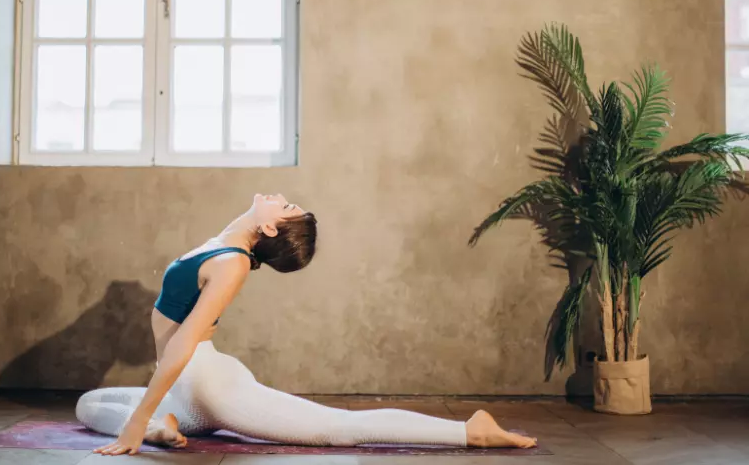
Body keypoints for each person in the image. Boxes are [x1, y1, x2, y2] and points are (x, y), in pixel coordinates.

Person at [76, 194, 537, 455]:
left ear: (271, 230)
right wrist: (141, 421)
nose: (281, 199)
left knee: (339, 430)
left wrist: (134, 423)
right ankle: (163, 424)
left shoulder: (232, 263)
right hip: (185, 390)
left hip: (209, 386)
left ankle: (469, 430)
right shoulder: (226, 239)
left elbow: (181, 345)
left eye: (287, 207)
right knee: (88, 406)